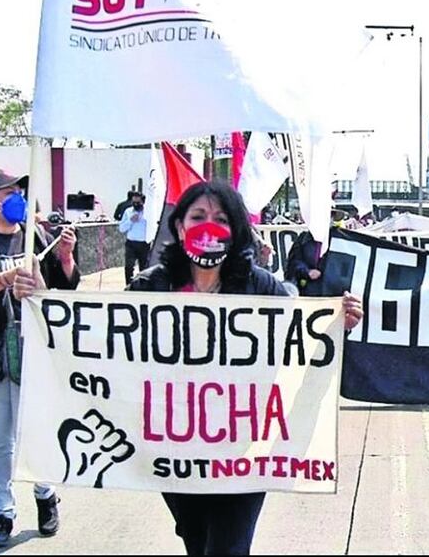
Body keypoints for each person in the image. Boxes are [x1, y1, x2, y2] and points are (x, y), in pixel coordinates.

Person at [127, 181, 363, 555]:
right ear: (180, 226)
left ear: (236, 231)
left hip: (243, 450)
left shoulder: (261, 287)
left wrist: (336, 322)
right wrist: (42, 297)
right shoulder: (151, 286)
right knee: (198, 540)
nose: (209, 226)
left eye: (221, 219)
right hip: (174, 450)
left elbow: (300, 341)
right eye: (199, 217)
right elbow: (105, 348)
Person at [0, 169, 80, 548]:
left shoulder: (35, 239)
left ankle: (45, 495)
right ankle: (1, 513)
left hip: (33, 350)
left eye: (21, 190)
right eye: (10, 191)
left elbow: (63, 287)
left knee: (35, 429)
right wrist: (3, 280)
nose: (18, 196)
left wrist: (66, 258)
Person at [118, 192, 150, 285]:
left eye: (138, 203)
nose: (135, 205)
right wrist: (130, 221)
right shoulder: (128, 212)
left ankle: (144, 286)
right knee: (129, 266)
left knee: (144, 268)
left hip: (144, 243)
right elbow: (121, 228)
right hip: (131, 243)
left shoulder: (148, 212)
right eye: (134, 202)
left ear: (143, 202)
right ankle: (128, 285)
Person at [284, 229, 325, 296]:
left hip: (331, 294)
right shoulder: (303, 238)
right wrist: (307, 272)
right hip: (306, 291)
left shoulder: (337, 238)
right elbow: (293, 263)